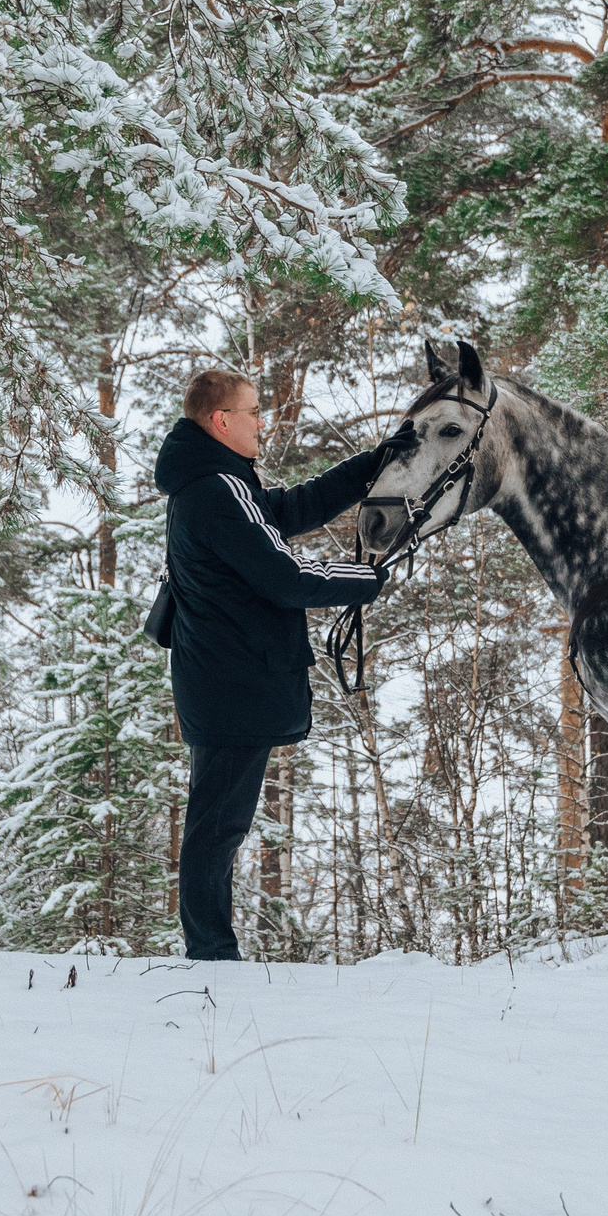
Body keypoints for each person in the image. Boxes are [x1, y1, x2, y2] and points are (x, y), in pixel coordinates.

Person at [154, 368, 395, 960]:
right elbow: (284, 579)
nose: (265, 422)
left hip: (222, 678)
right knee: (218, 827)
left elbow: (286, 510)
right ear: (222, 421)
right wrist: (364, 579)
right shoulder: (214, 488)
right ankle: (211, 954)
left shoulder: (214, 482)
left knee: (217, 822)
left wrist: (371, 465)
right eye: (254, 411)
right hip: (230, 681)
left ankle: (210, 949)